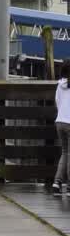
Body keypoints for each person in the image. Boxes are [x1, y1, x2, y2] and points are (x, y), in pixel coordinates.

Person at [53, 62, 70, 196]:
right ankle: (69, 186)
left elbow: (57, 102)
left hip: (60, 122)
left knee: (65, 152)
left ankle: (57, 182)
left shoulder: (60, 84)